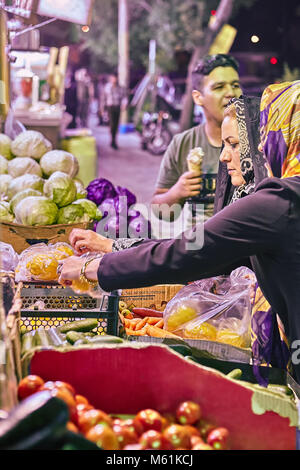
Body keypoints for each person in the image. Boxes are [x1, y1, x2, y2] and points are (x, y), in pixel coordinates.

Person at [58, 81, 300, 382]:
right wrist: (111, 247)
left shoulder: (280, 201)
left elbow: (190, 251)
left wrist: (91, 269)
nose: (225, 156)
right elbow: (201, 248)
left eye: (239, 144)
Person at [151, 54, 242, 228]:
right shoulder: (183, 143)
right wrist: (176, 193)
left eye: (235, 85)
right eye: (219, 87)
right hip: (198, 247)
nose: (231, 93)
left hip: (247, 250)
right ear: (198, 97)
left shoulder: (260, 140)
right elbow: (160, 211)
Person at [103, 73, 128, 149]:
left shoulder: (120, 88)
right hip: (110, 107)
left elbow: (124, 97)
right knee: (112, 124)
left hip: (117, 107)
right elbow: (104, 98)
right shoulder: (107, 87)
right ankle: (112, 139)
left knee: (116, 124)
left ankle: (114, 140)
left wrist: (124, 104)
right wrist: (103, 109)